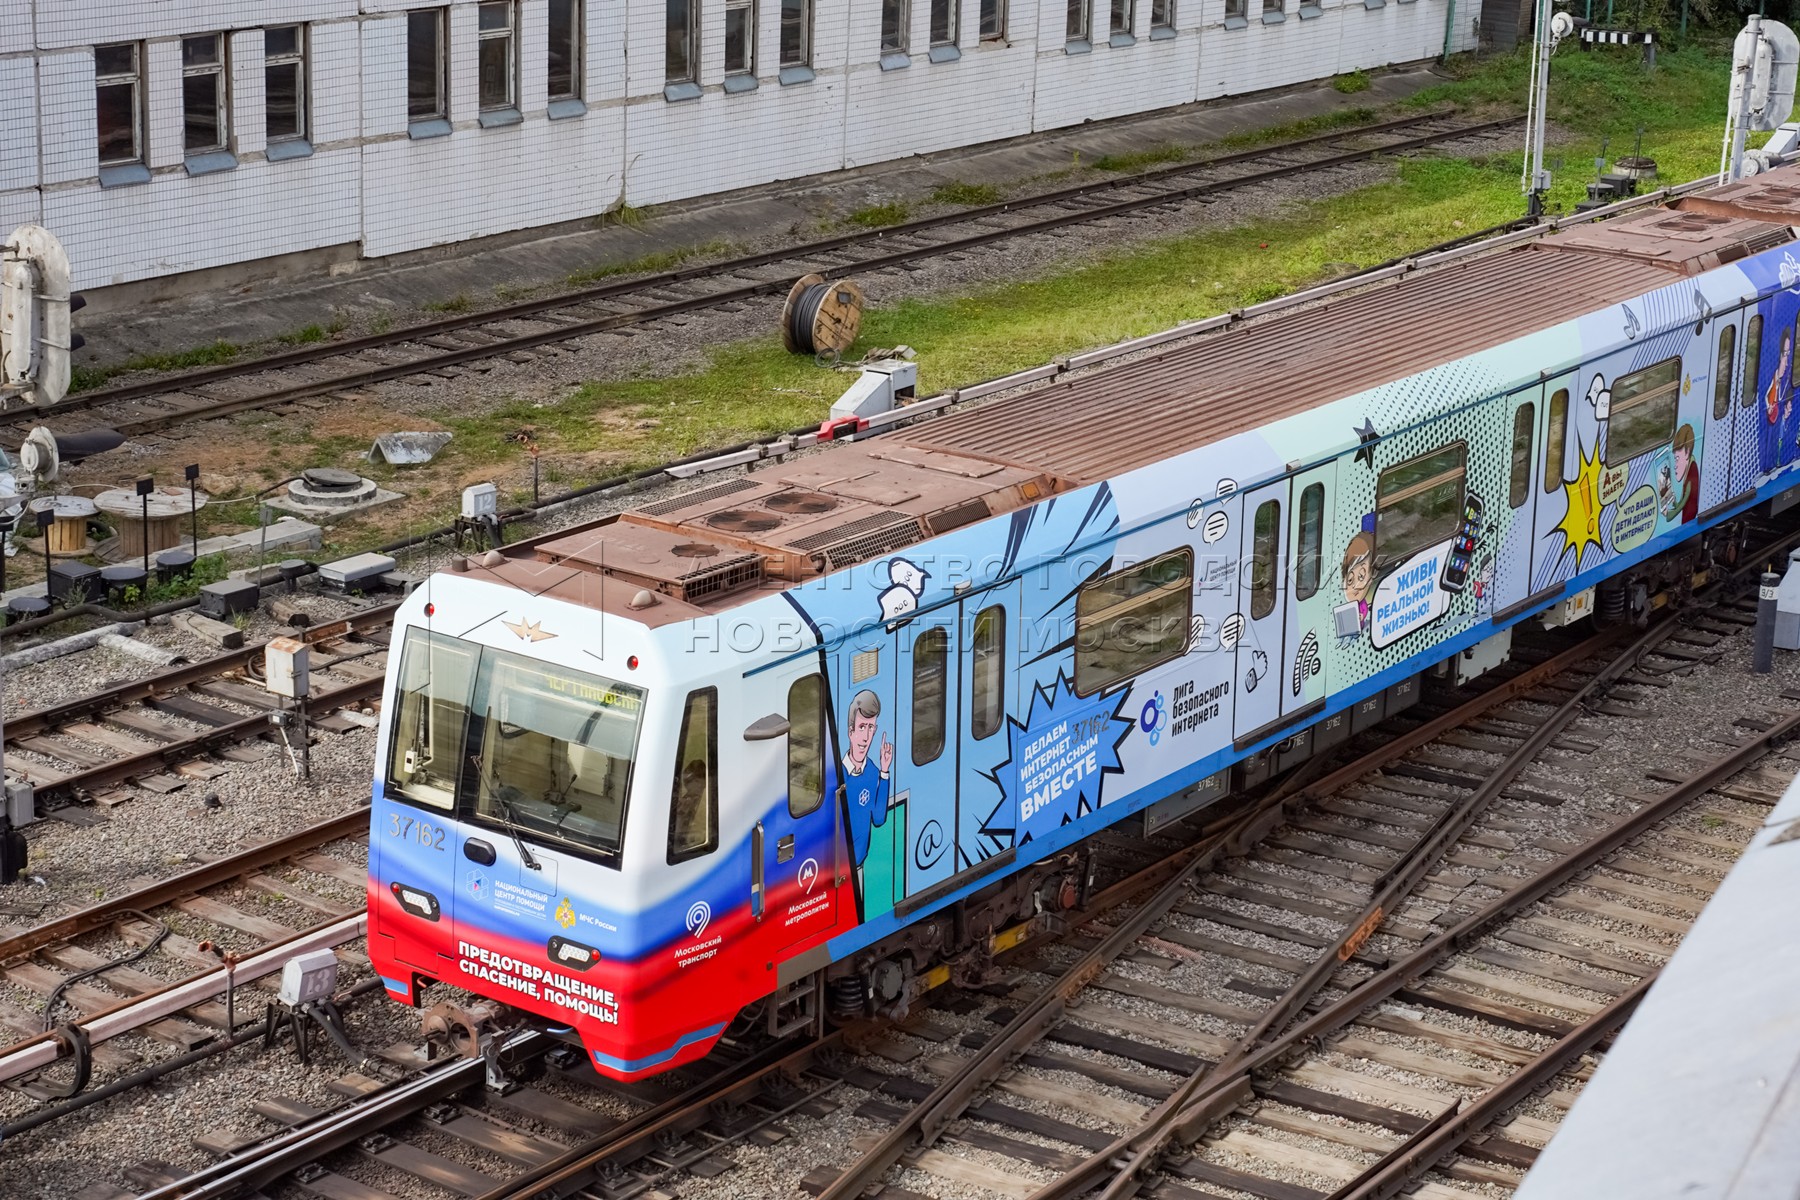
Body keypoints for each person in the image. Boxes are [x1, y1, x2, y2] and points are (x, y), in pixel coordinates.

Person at [842, 690, 892, 867]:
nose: (866, 737)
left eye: (871, 728)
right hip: (837, 868)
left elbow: (878, 819)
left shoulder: (872, 772)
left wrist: (884, 771)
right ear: (851, 731)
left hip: (858, 865)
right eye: (862, 727)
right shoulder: (838, 774)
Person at [1341, 530, 1376, 633]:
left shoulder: (1362, 603)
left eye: (1361, 576)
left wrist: (1361, 616)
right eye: (1350, 580)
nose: (1355, 586)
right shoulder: (1347, 606)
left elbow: (1364, 611)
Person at [1671, 424, 1700, 524]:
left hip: (1688, 519)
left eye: (1677, 459)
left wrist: (1669, 515)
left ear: (1687, 452)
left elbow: (1683, 504)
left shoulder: (1692, 472)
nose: (1675, 465)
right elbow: (1682, 502)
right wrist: (1674, 502)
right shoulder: (1690, 468)